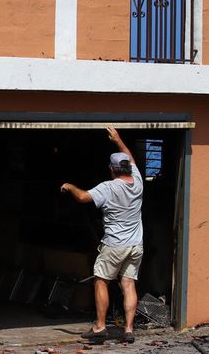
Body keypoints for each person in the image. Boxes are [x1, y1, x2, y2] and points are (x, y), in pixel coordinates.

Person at [60, 127, 144, 344]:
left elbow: (83, 197)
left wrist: (70, 186)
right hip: (136, 245)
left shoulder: (108, 187)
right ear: (128, 167)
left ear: (111, 169)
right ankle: (128, 330)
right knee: (128, 284)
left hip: (114, 245)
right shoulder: (138, 182)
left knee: (101, 281)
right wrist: (118, 140)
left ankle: (99, 326)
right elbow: (131, 158)